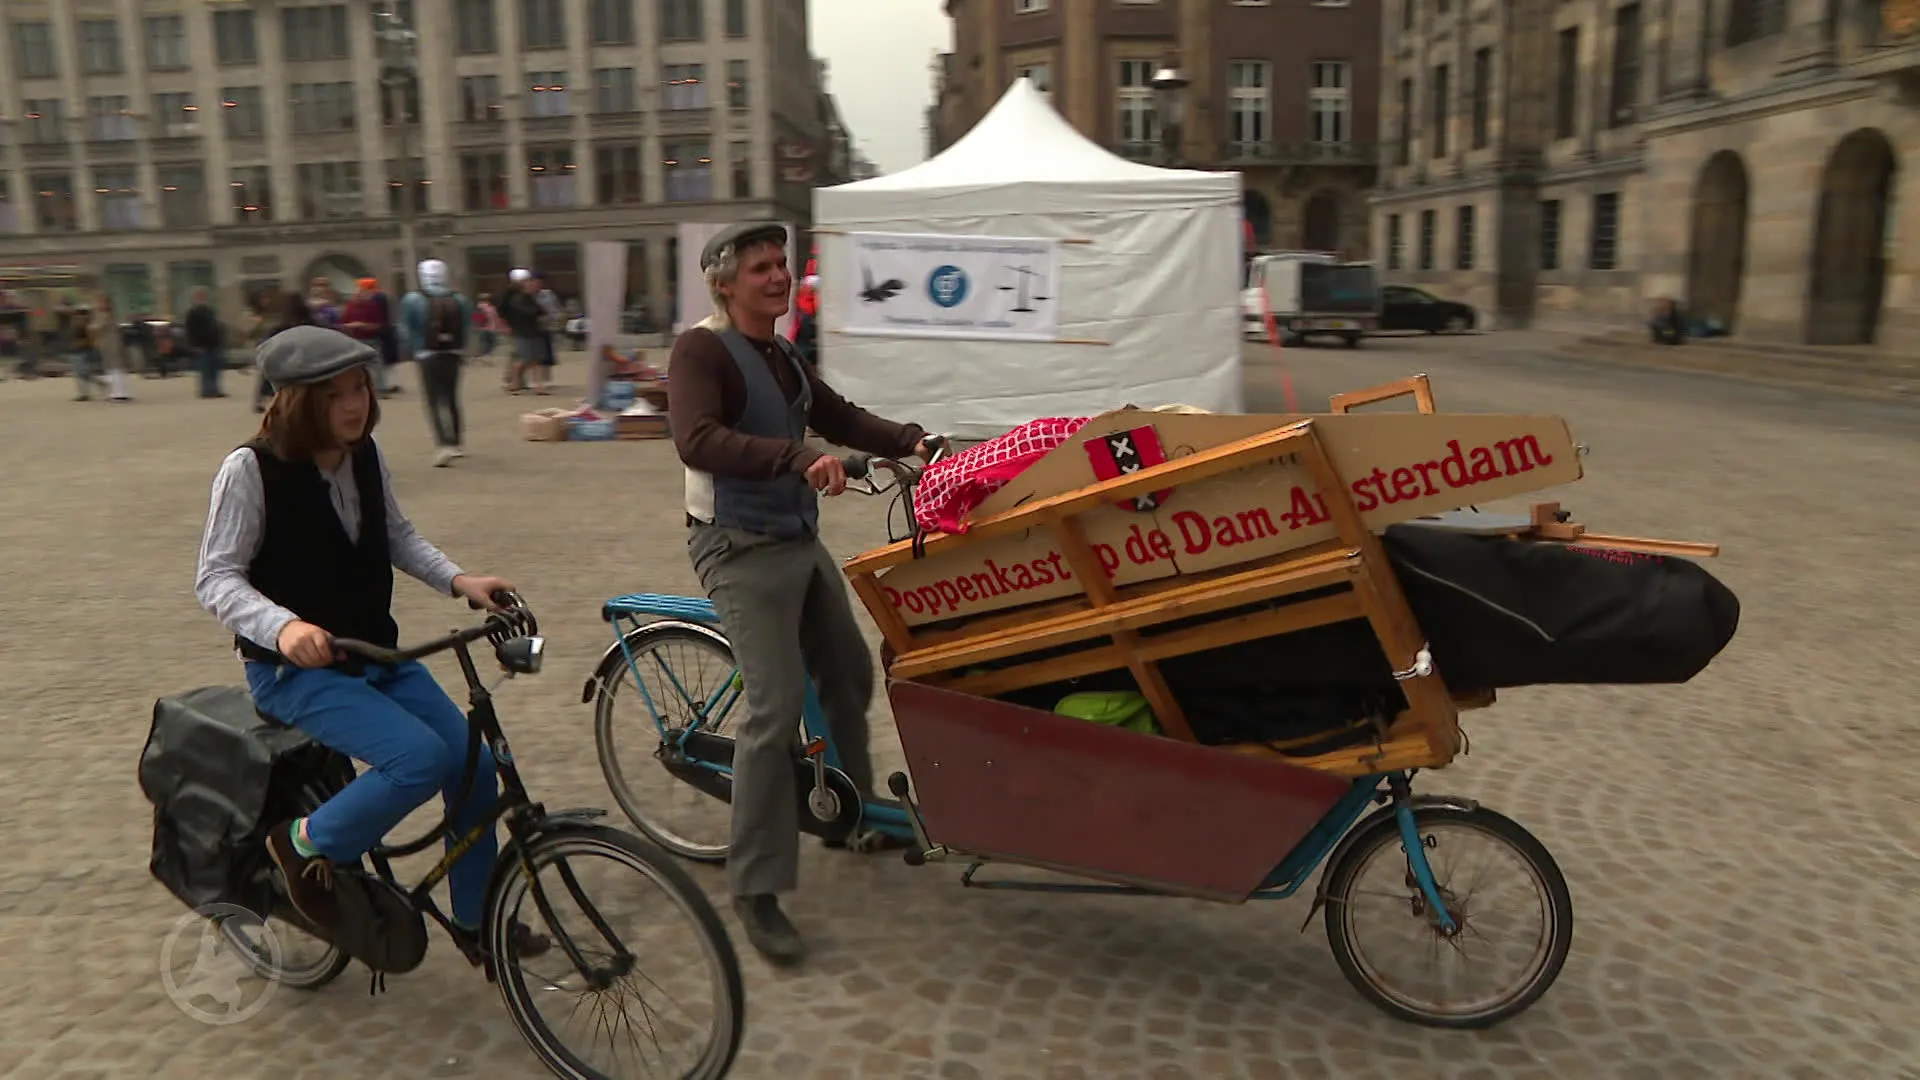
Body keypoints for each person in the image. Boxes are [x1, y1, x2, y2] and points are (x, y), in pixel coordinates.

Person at [192, 325, 546, 956]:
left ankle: (475, 919)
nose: (355, 404)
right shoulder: (249, 470)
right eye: (335, 394)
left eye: (360, 387)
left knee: (477, 766)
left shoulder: (364, 454)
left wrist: (462, 580)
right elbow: (216, 577)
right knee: (419, 759)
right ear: (298, 400)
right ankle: (302, 842)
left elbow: (397, 537)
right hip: (292, 673)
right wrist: (285, 626)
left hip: (377, 654)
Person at [667, 221, 931, 965]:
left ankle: (851, 812)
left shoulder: (782, 353)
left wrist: (911, 438)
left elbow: (838, 415)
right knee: (774, 706)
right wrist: (795, 455)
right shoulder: (701, 350)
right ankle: (756, 889)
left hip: (795, 541)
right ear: (725, 283)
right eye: (761, 268)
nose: (778, 277)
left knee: (847, 669)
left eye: (781, 265)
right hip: (736, 547)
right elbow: (698, 439)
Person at [400, 259, 472, 467]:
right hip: (453, 353)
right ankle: (457, 442)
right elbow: (467, 326)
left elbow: (406, 328)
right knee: (451, 398)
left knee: (433, 400)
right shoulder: (459, 299)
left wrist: (412, 350)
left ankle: (443, 444)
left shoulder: (412, 299)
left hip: (426, 354)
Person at [497, 268, 547, 395]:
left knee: (533, 359)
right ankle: (514, 383)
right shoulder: (515, 297)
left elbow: (538, 310)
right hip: (522, 330)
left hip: (530, 330)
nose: (531, 284)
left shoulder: (527, 297)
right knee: (522, 358)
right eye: (527, 281)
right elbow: (526, 311)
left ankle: (534, 385)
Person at [183, 289, 226, 398]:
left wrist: (220, 341)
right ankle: (207, 390)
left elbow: (216, 327)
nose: (201, 299)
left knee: (215, 368)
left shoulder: (210, 311)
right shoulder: (192, 313)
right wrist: (194, 345)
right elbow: (190, 330)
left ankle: (215, 389)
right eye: (199, 296)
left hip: (214, 343)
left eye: (202, 296)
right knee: (205, 368)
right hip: (202, 345)